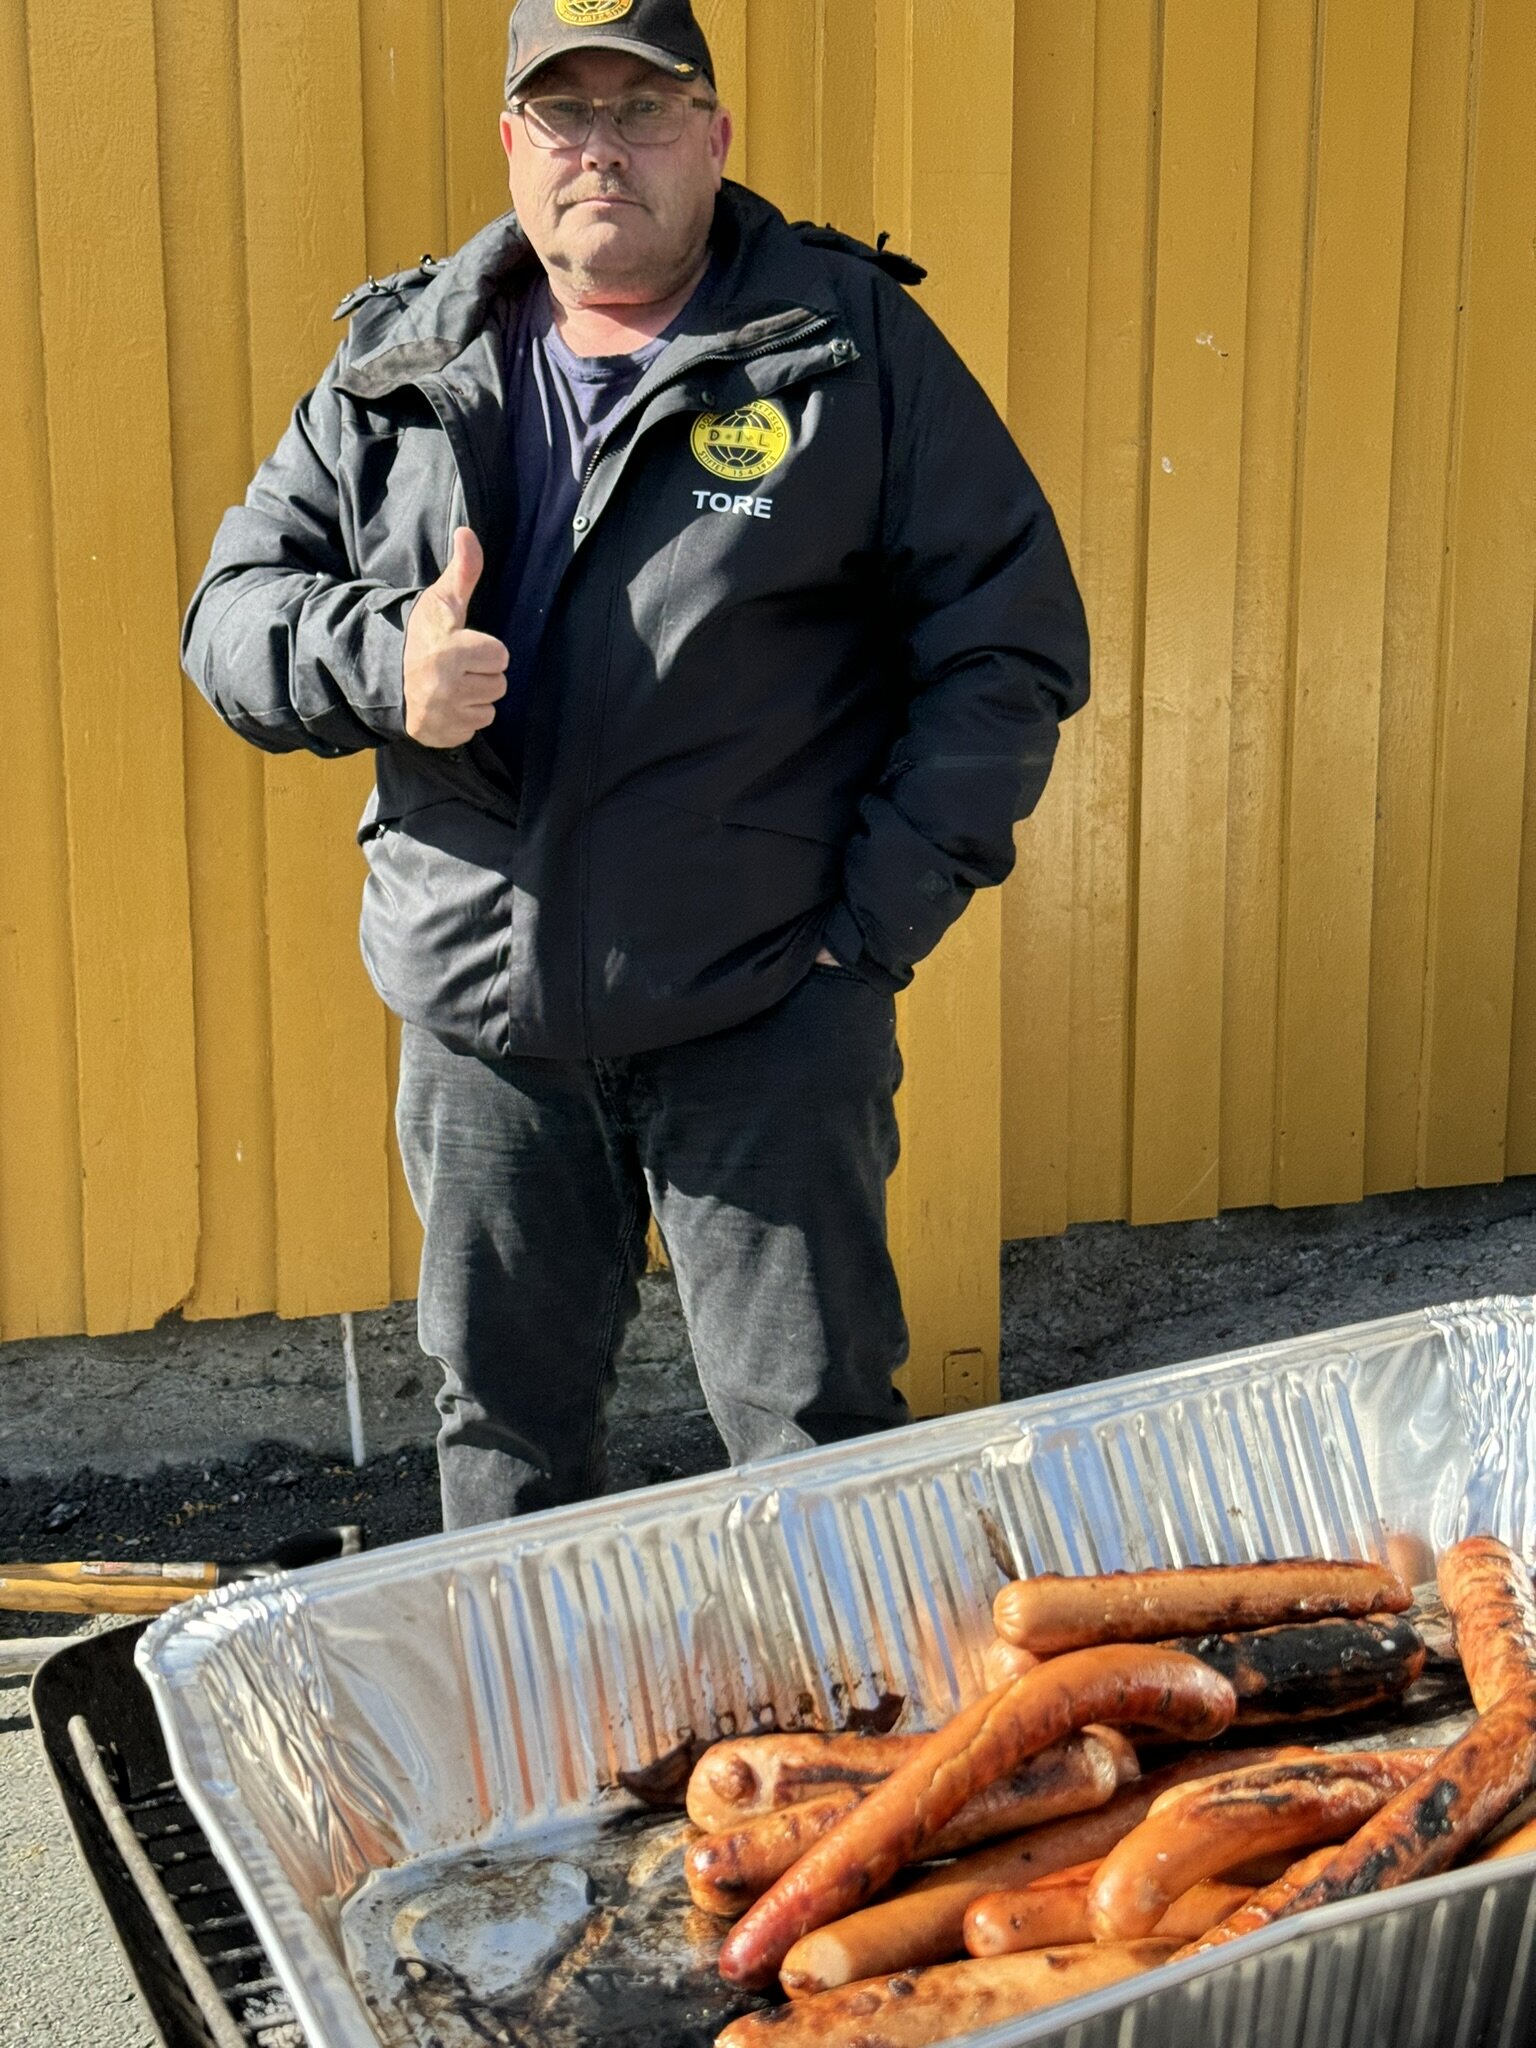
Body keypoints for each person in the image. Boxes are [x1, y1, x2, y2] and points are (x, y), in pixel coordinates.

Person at [183, 0, 1090, 1531]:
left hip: (765, 1015)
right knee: (506, 1444)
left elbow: (1007, 644)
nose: (601, 148)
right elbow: (229, 622)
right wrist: (382, 658)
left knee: (820, 1445)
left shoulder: (845, 345)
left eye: (644, 108)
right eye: (564, 113)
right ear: (512, 143)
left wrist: (865, 932)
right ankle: (546, 1765)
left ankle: (844, 1760)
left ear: (716, 134)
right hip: (485, 1029)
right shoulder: (402, 360)